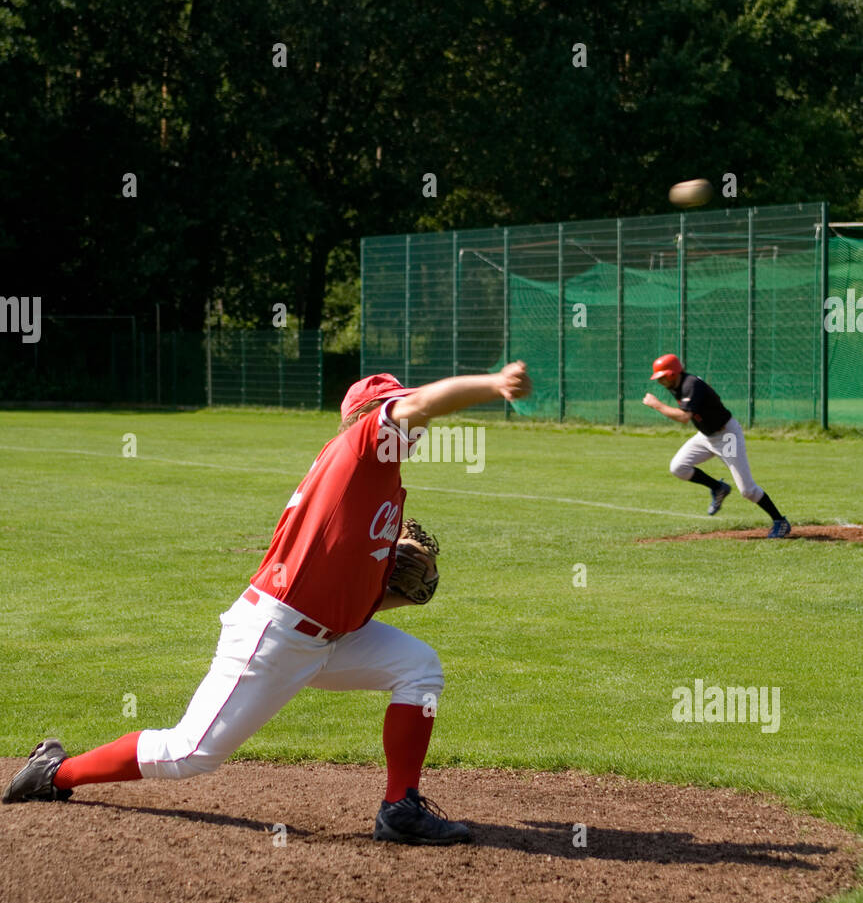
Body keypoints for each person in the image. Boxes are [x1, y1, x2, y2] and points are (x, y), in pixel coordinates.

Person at [3, 362, 533, 842]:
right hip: (274, 634)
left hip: (331, 636)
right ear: (369, 417)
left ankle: (400, 809)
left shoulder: (382, 484)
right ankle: (55, 772)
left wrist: (396, 597)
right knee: (191, 753)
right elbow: (420, 405)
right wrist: (493, 385)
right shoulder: (359, 450)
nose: (415, 428)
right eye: (397, 411)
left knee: (418, 669)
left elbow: (348, 599)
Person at [643, 353, 791, 538]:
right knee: (678, 467)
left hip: (726, 436)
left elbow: (683, 417)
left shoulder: (690, 385)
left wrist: (656, 405)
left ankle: (780, 521)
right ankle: (718, 488)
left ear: (672, 374)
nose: (660, 382)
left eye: (662, 377)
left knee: (747, 490)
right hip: (705, 436)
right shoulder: (675, 385)